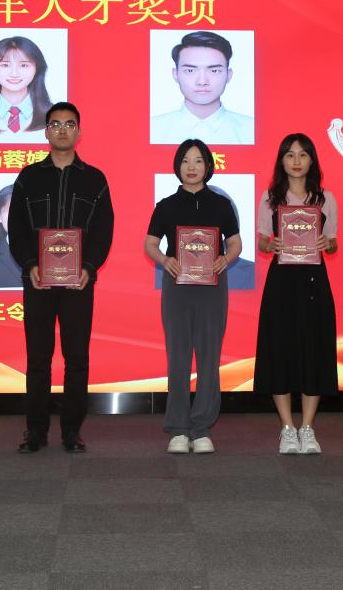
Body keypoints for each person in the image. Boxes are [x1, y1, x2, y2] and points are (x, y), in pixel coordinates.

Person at [6, 102, 114, 453]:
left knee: (76, 358)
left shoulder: (95, 179)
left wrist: (89, 268)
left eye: (69, 124)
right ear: (46, 132)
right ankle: (35, 431)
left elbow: (103, 230)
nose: (62, 130)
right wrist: (29, 264)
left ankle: (72, 431)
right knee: (38, 359)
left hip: (78, 283)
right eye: (55, 124)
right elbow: (16, 228)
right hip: (38, 281)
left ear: (79, 132)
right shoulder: (28, 178)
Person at [144, 139, 242, 454]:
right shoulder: (166, 205)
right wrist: (165, 260)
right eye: (186, 160)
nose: (191, 167)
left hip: (213, 287)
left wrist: (226, 259)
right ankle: (178, 428)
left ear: (208, 166)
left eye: (198, 160)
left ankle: (201, 428)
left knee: (209, 356)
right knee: (178, 356)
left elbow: (235, 243)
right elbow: (150, 243)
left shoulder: (222, 205)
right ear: (178, 166)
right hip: (177, 286)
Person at [254, 133, 339, 455]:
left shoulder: (325, 198)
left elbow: (333, 242)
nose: (296, 161)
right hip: (282, 282)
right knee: (279, 350)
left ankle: (308, 428)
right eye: (290, 155)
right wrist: (270, 244)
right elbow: (262, 241)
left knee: (313, 350)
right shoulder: (270, 198)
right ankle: (288, 428)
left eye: (303, 154)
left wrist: (327, 243)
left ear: (312, 160)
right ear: (281, 161)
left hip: (314, 281)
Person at [150, 31, 254, 145]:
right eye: (190, 70)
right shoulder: (153, 129)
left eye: (214, 70)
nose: (202, 81)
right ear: (175, 74)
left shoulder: (251, 130)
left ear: (229, 75)